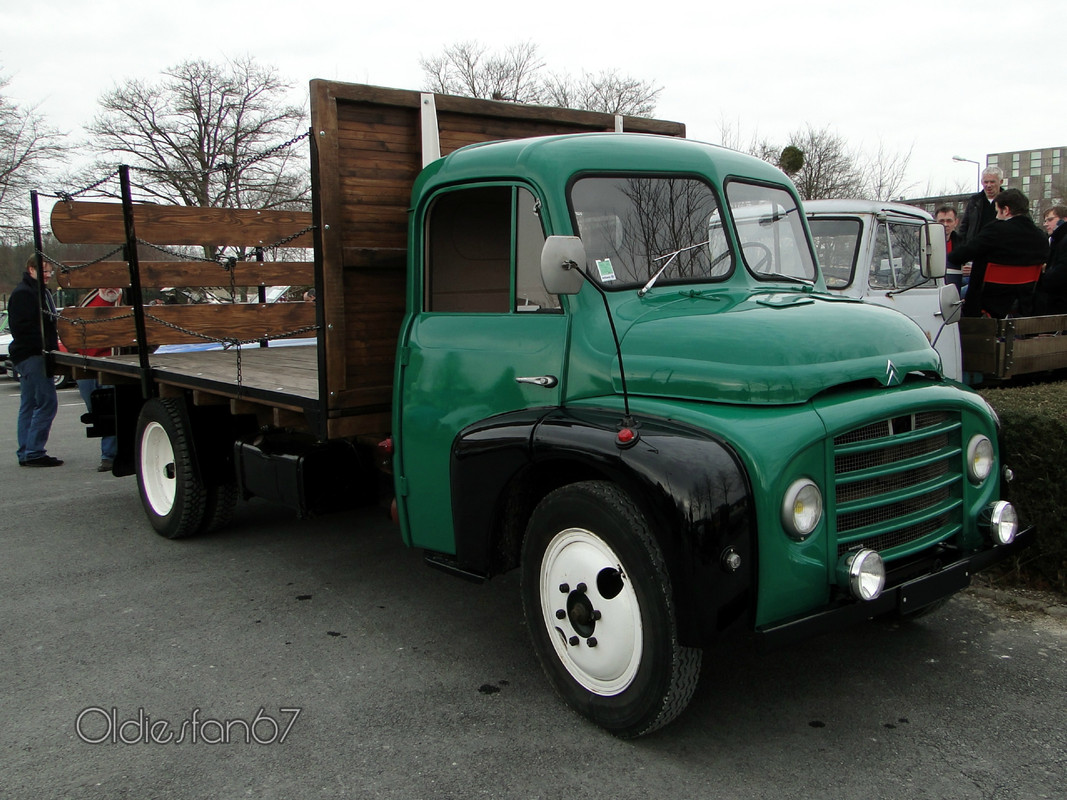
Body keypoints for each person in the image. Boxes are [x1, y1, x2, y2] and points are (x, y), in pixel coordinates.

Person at [948, 188, 1048, 318]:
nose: (996, 216)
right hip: (1023, 304)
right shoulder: (1041, 237)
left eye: (997, 212)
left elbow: (958, 256)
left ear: (1006, 210)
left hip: (986, 305)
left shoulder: (995, 231)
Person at [8, 255, 63, 467]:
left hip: (31, 354)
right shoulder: (25, 293)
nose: (48, 275)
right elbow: (20, 328)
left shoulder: (39, 292)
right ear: (31, 269)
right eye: (44, 271)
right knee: (47, 402)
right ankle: (34, 451)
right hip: (32, 354)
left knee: (29, 404)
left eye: (49, 271)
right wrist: (44, 345)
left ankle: (27, 450)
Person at [75, 287, 121, 472]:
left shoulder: (125, 303)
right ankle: (110, 453)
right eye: (105, 284)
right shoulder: (86, 303)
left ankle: (109, 456)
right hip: (88, 365)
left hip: (112, 364)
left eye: (115, 284)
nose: (111, 288)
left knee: (111, 410)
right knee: (96, 411)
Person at [1035, 205, 1067, 315]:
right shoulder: (1056, 239)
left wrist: (1044, 277)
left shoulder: (1062, 240)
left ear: (1065, 219)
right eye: (1045, 221)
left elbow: (1061, 270)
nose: (1045, 224)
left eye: (1050, 219)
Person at [958, 166, 1004, 243]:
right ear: (981, 182)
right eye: (986, 182)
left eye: (992, 182)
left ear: (1001, 182)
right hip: (977, 249)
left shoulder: (1010, 201)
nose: (988, 185)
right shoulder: (974, 201)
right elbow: (964, 227)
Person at [935, 205, 967, 289]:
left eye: (949, 221)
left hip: (955, 282)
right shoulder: (927, 243)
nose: (945, 224)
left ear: (956, 222)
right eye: (941, 221)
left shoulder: (963, 243)